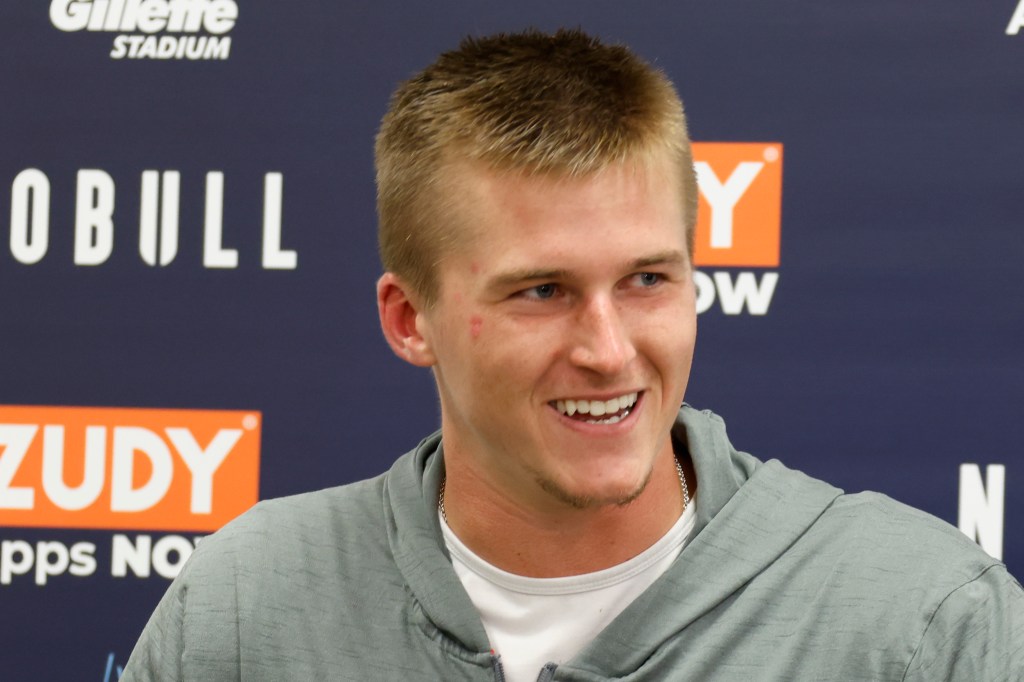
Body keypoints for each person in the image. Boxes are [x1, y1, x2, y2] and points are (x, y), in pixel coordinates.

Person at [123, 28, 1023, 681]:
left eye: (646, 281)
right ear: (410, 320)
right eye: (541, 292)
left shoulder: (924, 626)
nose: (607, 349)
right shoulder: (244, 612)